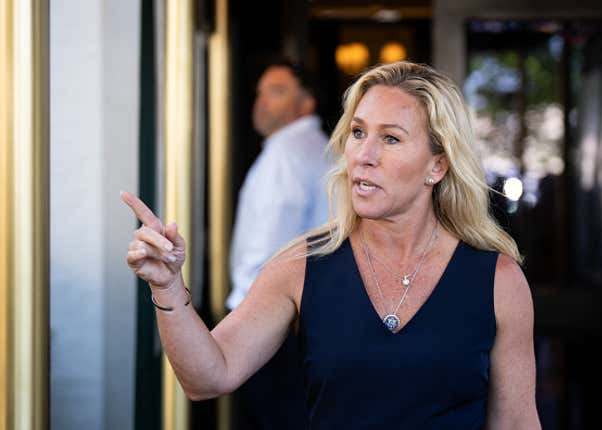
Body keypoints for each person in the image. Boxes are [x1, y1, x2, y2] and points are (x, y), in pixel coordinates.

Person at [122, 61, 541, 429]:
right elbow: (208, 377)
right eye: (358, 133)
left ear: (437, 165)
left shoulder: (497, 281)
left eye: (391, 138)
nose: (364, 154)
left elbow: (518, 422)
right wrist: (167, 288)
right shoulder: (302, 265)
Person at [226, 59, 329, 429]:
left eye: (277, 91)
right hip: (303, 322)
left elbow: (267, 251)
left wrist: (240, 315)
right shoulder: (314, 148)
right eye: (260, 92)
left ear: (306, 103)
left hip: (272, 323)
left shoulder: (287, 155)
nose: (262, 101)